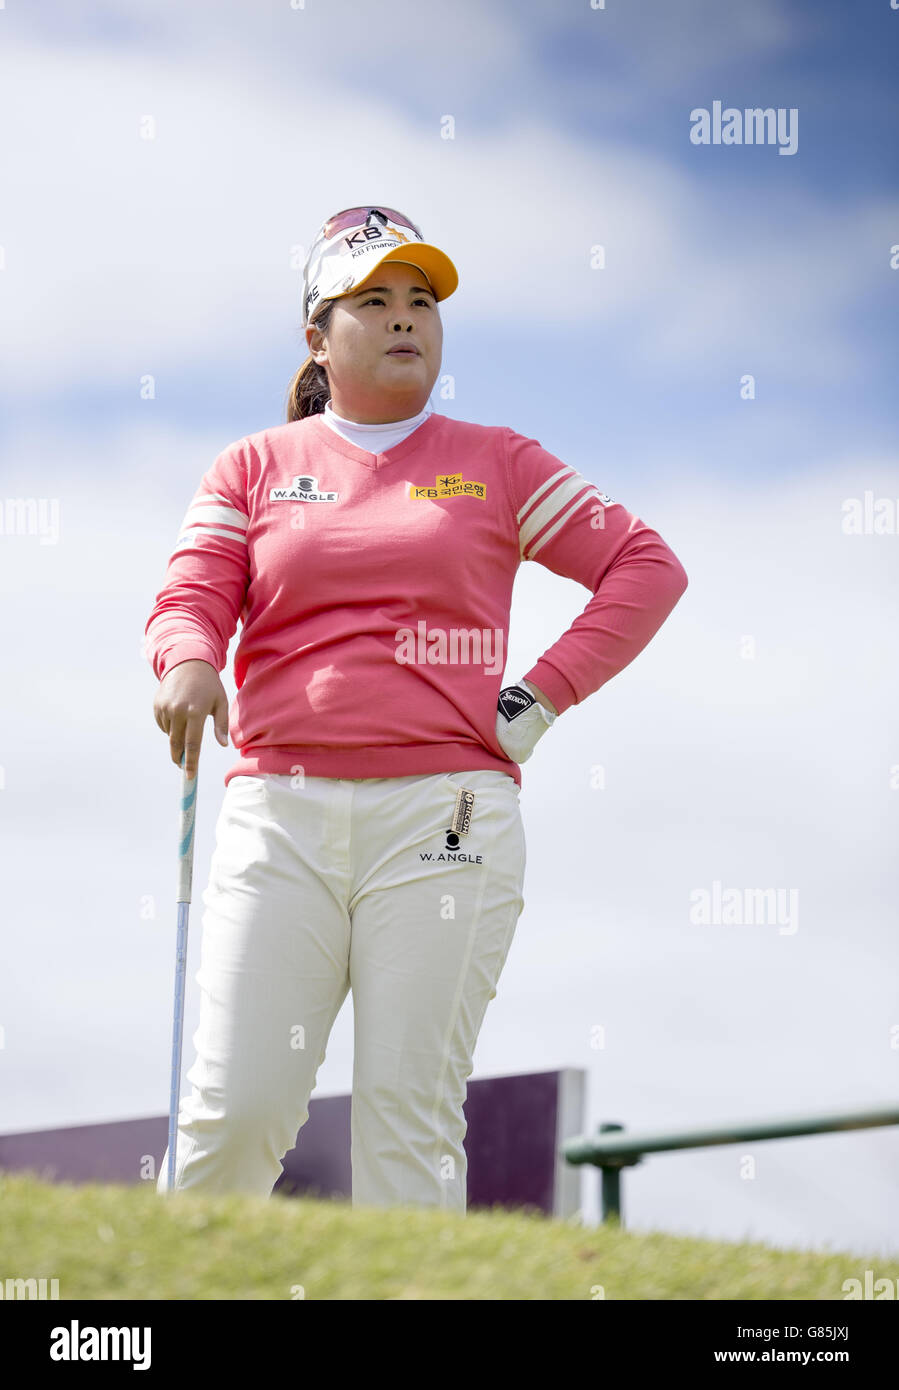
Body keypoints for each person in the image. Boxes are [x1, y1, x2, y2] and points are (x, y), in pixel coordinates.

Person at [145, 205, 688, 1212]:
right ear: (318, 334)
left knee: (406, 1115)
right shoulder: (251, 467)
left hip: (447, 816)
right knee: (235, 1109)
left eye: (421, 301)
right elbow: (192, 594)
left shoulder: (499, 459)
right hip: (280, 815)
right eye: (374, 300)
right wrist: (186, 660)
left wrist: (537, 696)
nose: (405, 318)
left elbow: (643, 566)